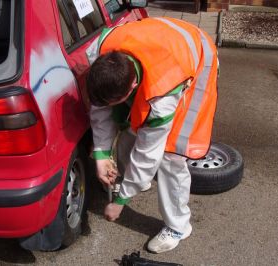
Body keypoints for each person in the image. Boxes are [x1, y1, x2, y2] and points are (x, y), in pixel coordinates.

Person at [86, 17, 218, 253]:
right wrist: (101, 154)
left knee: (170, 155)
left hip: (197, 60)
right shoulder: (100, 51)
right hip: (163, 39)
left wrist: (120, 202)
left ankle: (179, 226)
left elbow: (149, 154)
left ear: (133, 85)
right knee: (130, 123)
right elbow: (102, 110)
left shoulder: (162, 97)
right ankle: (136, 181)